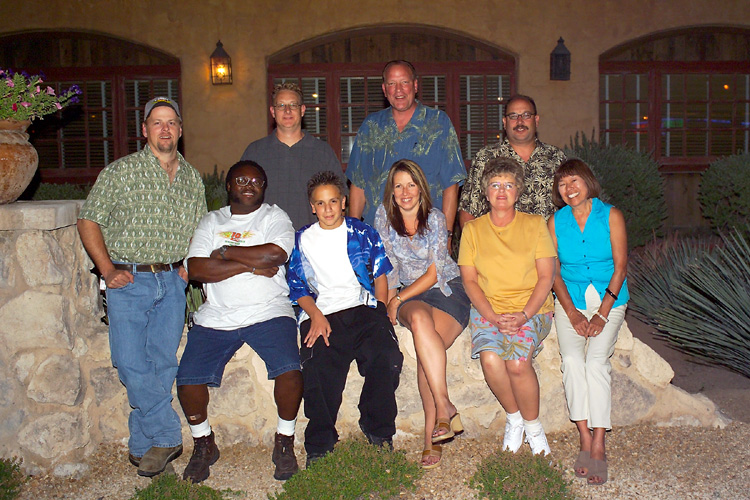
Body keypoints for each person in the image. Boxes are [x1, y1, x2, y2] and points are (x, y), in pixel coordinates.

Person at [77, 97, 206, 476]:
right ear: (145, 129)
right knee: (129, 360)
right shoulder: (121, 172)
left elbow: (200, 230)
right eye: (157, 122)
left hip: (171, 281)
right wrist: (107, 269)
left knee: (163, 362)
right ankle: (167, 434)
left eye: (171, 122)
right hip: (129, 280)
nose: (165, 129)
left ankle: (142, 446)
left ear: (180, 130)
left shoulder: (192, 178)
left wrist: (187, 268)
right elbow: (88, 220)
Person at [176, 160, 303, 483]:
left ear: (264, 187)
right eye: (241, 180)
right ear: (229, 185)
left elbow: (275, 255)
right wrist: (251, 265)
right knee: (188, 380)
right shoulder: (212, 221)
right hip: (217, 315)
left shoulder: (274, 217)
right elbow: (197, 269)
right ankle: (204, 443)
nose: (249, 185)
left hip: (268, 311)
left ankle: (284, 441)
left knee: (290, 371)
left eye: (256, 181)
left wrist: (224, 252)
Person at [287, 171, 403, 466]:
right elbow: (298, 287)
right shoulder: (302, 240)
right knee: (317, 366)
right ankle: (320, 443)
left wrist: (379, 311)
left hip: (361, 307)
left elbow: (379, 273)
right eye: (320, 203)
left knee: (386, 356)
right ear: (312, 207)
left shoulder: (362, 232)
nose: (327, 209)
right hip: (321, 312)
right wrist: (315, 316)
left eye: (333, 201)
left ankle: (377, 428)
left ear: (343, 202)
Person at [373, 159, 471, 469]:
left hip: (446, 289)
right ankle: (444, 409)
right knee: (418, 321)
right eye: (399, 186)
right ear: (392, 190)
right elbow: (387, 268)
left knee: (428, 347)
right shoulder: (383, 217)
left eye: (411, 185)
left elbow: (433, 273)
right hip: (410, 295)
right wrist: (387, 306)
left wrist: (397, 299)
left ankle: (433, 435)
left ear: (421, 188)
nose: (405, 192)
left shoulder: (436, 219)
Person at [457, 156, 556, 456]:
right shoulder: (473, 230)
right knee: (490, 359)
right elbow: (469, 280)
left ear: (518, 191)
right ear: (486, 192)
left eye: (509, 185)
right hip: (489, 309)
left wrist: (524, 315)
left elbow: (546, 276)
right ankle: (515, 418)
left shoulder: (535, 225)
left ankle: (534, 428)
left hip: (531, 309)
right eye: (495, 185)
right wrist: (492, 316)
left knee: (517, 363)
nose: (502, 191)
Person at [547, 159, 628, 486]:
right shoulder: (556, 221)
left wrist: (603, 313)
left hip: (610, 298)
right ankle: (583, 435)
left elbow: (621, 267)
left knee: (595, 361)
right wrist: (572, 312)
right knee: (571, 360)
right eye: (563, 184)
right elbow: (553, 272)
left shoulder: (611, 215)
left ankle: (599, 442)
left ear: (588, 181)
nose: (569, 189)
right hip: (572, 300)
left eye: (574, 181)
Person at [346, 60, 466, 232]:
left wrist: (446, 235)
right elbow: (358, 184)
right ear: (384, 89)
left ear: (415, 85)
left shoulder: (439, 124)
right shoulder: (371, 126)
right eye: (392, 84)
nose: (398, 90)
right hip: (378, 234)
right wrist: (353, 233)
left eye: (404, 82)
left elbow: (451, 184)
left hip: (427, 235)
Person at [240, 82, 344, 229]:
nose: (287, 111)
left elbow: (339, 199)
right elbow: (241, 201)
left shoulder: (323, 152)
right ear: (273, 111)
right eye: (281, 105)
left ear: (302, 110)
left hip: (312, 238)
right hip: (265, 238)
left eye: (293, 105)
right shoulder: (254, 152)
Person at [458, 94, 566, 226]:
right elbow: (468, 210)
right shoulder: (486, 157)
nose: (520, 121)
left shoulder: (556, 157)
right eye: (513, 116)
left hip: (547, 238)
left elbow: (570, 207)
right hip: (497, 238)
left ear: (536, 120)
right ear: (504, 122)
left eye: (526, 115)